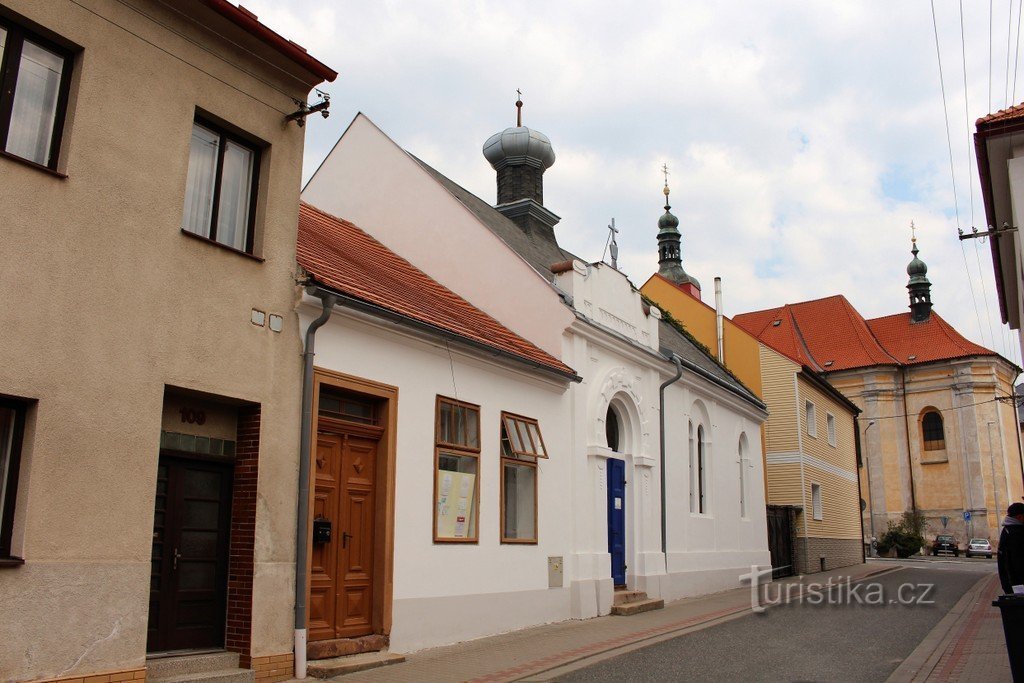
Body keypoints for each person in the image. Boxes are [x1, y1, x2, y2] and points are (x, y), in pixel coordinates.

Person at [998, 501, 1024, 594]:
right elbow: (1017, 561)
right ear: (1019, 517)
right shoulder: (1015, 532)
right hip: (1017, 584)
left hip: (1011, 583)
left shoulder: (1007, 530)